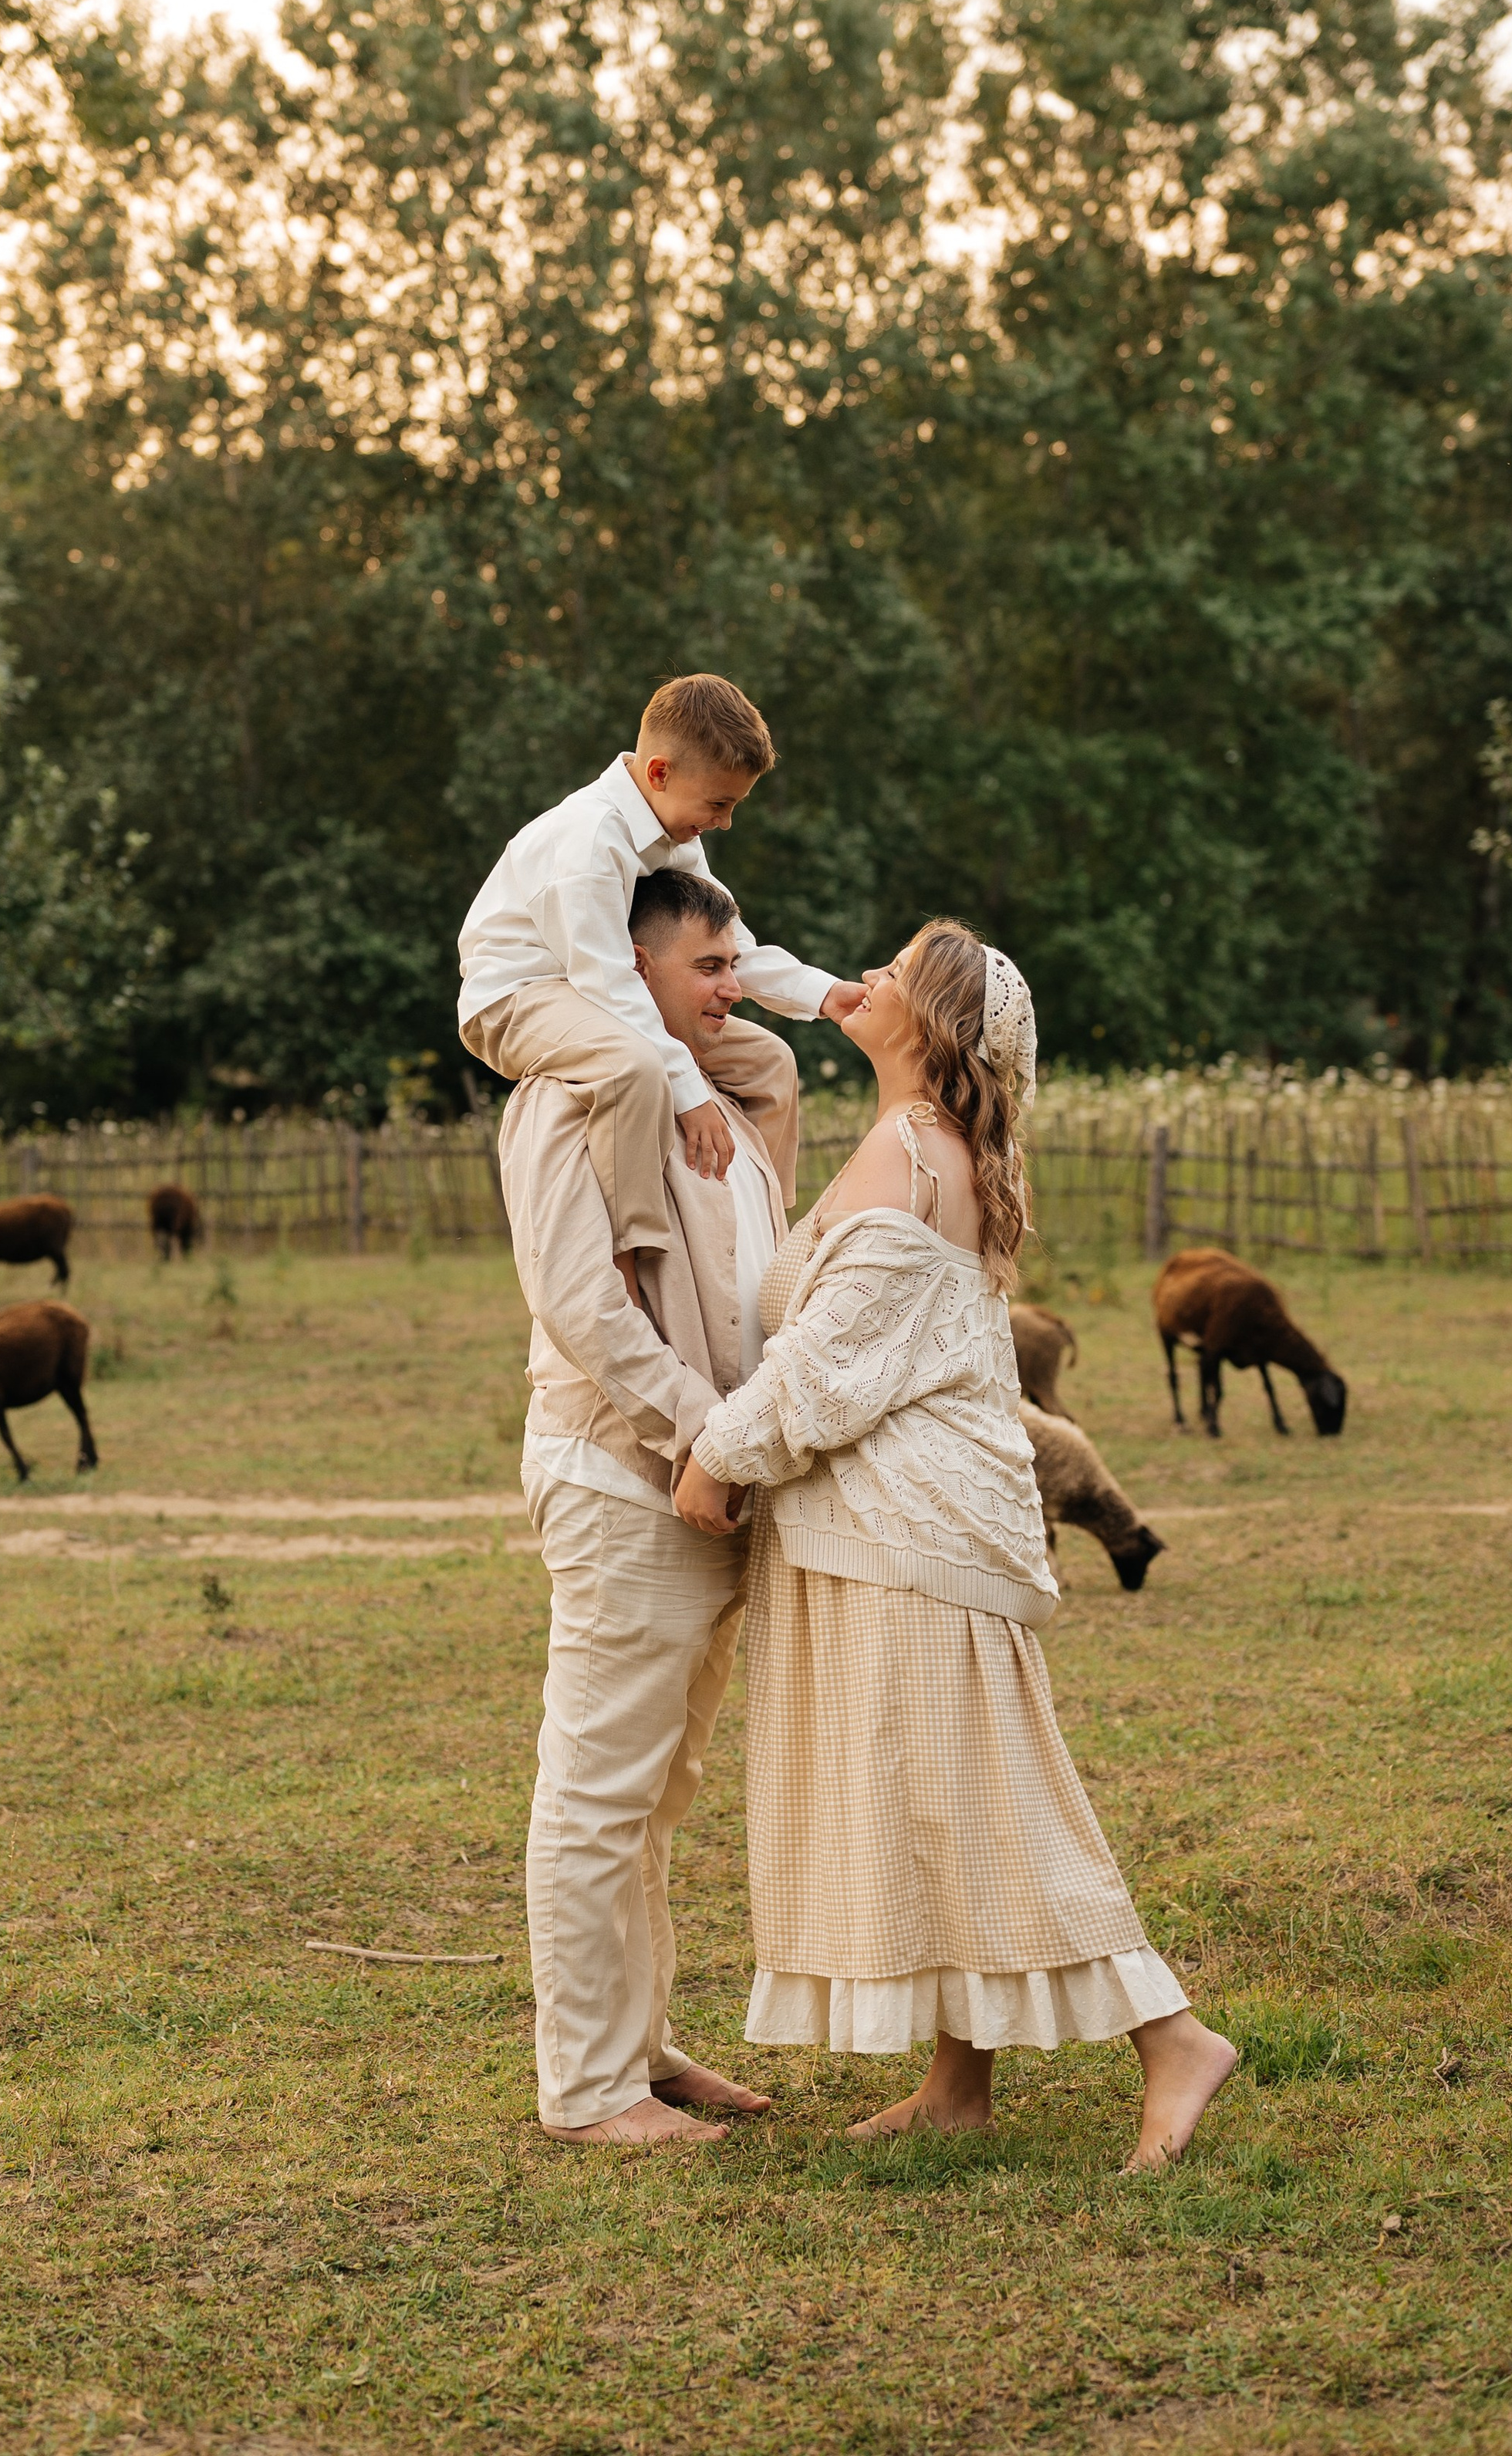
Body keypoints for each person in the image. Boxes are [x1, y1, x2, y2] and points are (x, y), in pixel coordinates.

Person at [676, 921, 1238, 2169]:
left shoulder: (909, 1148)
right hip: (922, 1523)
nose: (861, 981)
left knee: (986, 1799)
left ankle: (1173, 2034)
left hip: (909, 1532)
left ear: (928, 1025)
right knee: (934, 1796)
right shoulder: (945, 1150)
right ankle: (956, 2078)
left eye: (891, 973)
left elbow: (834, 1361)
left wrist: (720, 1451)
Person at [498, 865, 788, 2144]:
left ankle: (645, 2047)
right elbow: (586, 1307)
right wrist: (709, 1434)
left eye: (736, 965)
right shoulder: (565, 1098)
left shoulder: (716, 1095)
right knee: (598, 1789)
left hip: (707, 1487)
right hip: (628, 1477)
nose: (734, 985)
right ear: (631, 966)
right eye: (710, 965)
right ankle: (586, 2089)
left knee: (659, 1792)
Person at [460, 674, 864, 1273]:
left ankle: (774, 1238)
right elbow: (608, 982)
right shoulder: (591, 840)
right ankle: (636, 1248)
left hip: (601, 993)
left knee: (771, 1062)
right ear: (659, 774)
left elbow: (731, 947)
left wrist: (824, 992)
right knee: (634, 1066)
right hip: (521, 998)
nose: (725, 822)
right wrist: (692, 1094)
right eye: (719, 804)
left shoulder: (676, 836)